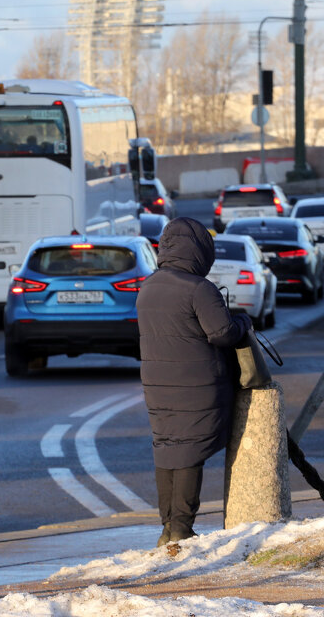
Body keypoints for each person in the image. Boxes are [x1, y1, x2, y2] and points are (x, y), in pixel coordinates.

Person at [136, 217, 252, 546]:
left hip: (158, 386)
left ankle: (167, 528)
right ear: (199, 251)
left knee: (168, 449)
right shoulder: (199, 289)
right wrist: (242, 322)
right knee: (190, 453)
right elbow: (222, 334)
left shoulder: (149, 286)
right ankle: (183, 528)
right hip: (197, 385)